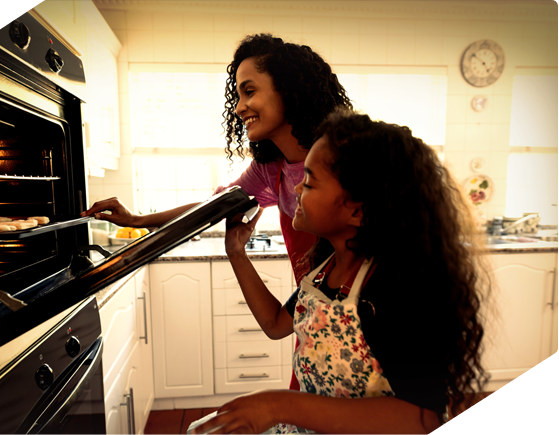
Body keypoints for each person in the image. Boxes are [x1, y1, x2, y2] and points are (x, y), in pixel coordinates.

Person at [190, 108, 489, 435]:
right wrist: (236, 252)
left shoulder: (393, 289)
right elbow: (276, 325)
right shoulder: (325, 270)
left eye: (310, 182)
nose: (297, 190)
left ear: (358, 211)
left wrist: (279, 405)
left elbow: (424, 421)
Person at [81, 33, 351, 286]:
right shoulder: (271, 169)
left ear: (287, 90)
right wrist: (137, 220)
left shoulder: (349, 157)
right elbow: (212, 209)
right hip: (315, 311)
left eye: (250, 91)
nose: (238, 107)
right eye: (238, 95)